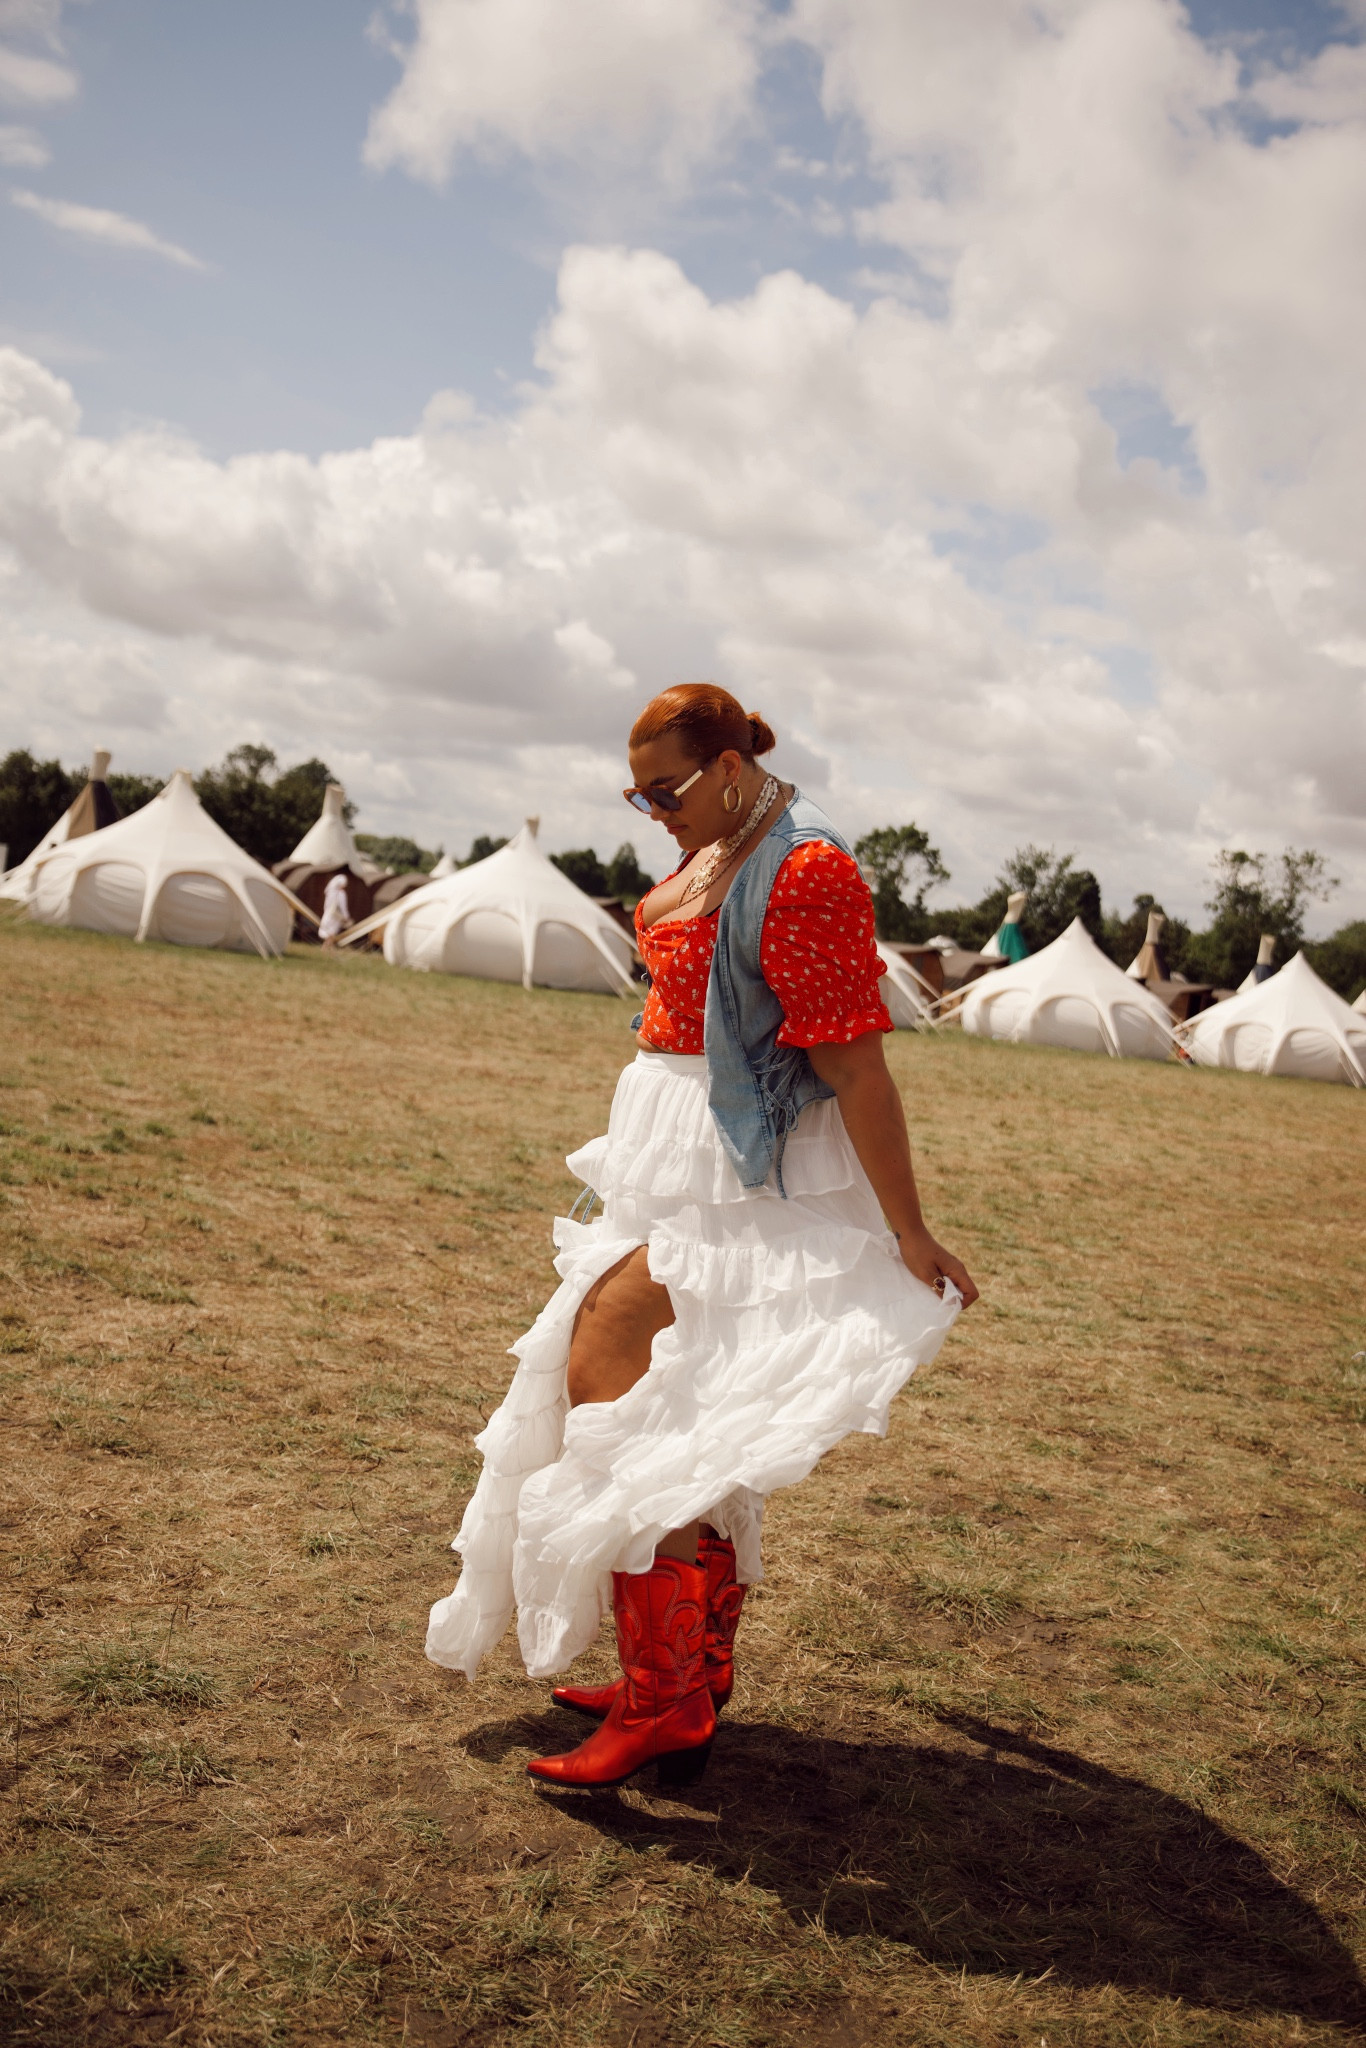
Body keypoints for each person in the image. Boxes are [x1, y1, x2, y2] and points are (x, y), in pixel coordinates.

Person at [426, 684, 978, 1789]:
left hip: (741, 1174)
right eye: (635, 796)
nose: (652, 812)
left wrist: (908, 1228)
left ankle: (666, 1693)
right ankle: (688, 1671)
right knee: (666, 1394)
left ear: (729, 767)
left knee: (612, 1380)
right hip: (667, 1156)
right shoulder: (725, 841)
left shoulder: (806, 865)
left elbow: (855, 1061)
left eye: (665, 790)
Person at [318, 870, 351, 951]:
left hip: (328, 914)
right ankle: (327, 948)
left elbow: (326, 905)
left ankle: (326, 948)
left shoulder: (330, 891)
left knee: (329, 932)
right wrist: (346, 917)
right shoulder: (341, 894)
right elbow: (343, 907)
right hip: (335, 916)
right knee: (332, 933)